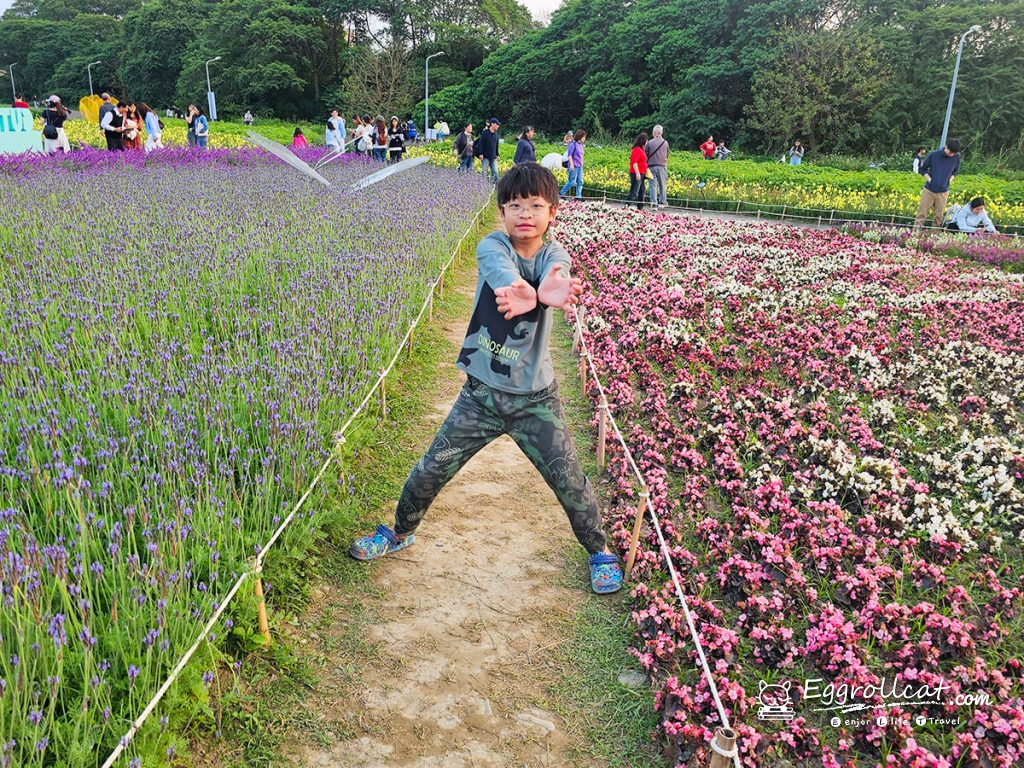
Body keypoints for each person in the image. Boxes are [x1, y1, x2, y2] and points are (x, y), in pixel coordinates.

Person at [347, 162, 623, 595]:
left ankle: (599, 551)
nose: (525, 214)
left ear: (553, 211)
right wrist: (520, 289)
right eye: (515, 205)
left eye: (536, 205)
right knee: (431, 468)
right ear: (502, 211)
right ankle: (400, 531)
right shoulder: (492, 245)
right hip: (481, 396)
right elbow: (499, 270)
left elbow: (557, 272)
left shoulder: (555, 256)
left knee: (569, 479)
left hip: (536, 400)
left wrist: (548, 287)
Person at [914, 138, 961, 229]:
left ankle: (934, 236)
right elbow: (922, 169)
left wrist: (949, 180)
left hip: (943, 192)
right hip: (929, 190)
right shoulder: (934, 155)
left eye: (953, 153)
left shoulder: (956, 157)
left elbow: (955, 172)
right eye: (950, 152)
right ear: (946, 146)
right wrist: (930, 180)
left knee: (938, 217)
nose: (951, 154)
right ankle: (914, 234)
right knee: (921, 214)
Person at [645, 125, 669, 210]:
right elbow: (667, 155)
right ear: (661, 133)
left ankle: (654, 204)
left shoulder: (650, 143)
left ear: (654, 132)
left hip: (651, 167)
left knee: (653, 186)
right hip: (662, 167)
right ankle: (663, 201)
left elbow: (646, 155)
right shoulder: (665, 143)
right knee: (662, 185)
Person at [559, 129, 586, 199]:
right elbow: (569, 155)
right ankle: (562, 193)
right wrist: (571, 164)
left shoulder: (581, 145)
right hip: (574, 165)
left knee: (580, 181)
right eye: (583, 137)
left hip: (580, 166)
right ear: (580, 137)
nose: (584, 138)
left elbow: (581, 155)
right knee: (572, 181)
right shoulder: (573, 144)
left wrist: (582, 164)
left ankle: (578, 196)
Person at [626, 132, 649, 210]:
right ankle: (627, 205)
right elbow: (634, 162)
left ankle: (640, 207)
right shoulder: (637, 150)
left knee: (642, 190)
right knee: (635, 191)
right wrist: (637, 173)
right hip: (636, 173)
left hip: (642, 173)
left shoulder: (642, 149)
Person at [477, 118, 501, 184]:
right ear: (492, 124)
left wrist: (497, 154)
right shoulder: (485, 133)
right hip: (485, 156)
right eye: (497, 124)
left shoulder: (496, 134)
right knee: (484, 171)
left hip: (493, 156)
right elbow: (480, 143)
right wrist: (480, 153)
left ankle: (496, 185)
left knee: (495, 171)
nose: (498, 126)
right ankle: (484, 185)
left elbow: (496, 145)